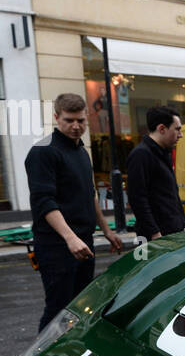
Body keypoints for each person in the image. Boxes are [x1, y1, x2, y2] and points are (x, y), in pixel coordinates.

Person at [25, 93, 123, 332]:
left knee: (81, 306)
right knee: (58, 309)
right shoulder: (42, 152)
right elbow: (44, 201)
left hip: (84, 241)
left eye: (80, 120)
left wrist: (107, 230)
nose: (76, 126)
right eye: (69, 120)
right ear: (56, 117)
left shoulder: (81, 151)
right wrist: (70, 238)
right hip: (56, 245)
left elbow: (90, 194)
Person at [125, 105, 185, 242]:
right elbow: (138, 199)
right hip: (156, 237)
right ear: (162, 129)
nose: (181, 135)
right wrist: (154, 233)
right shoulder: (141, 155)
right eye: (177, 129)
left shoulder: (164, 153)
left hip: (172, 232)